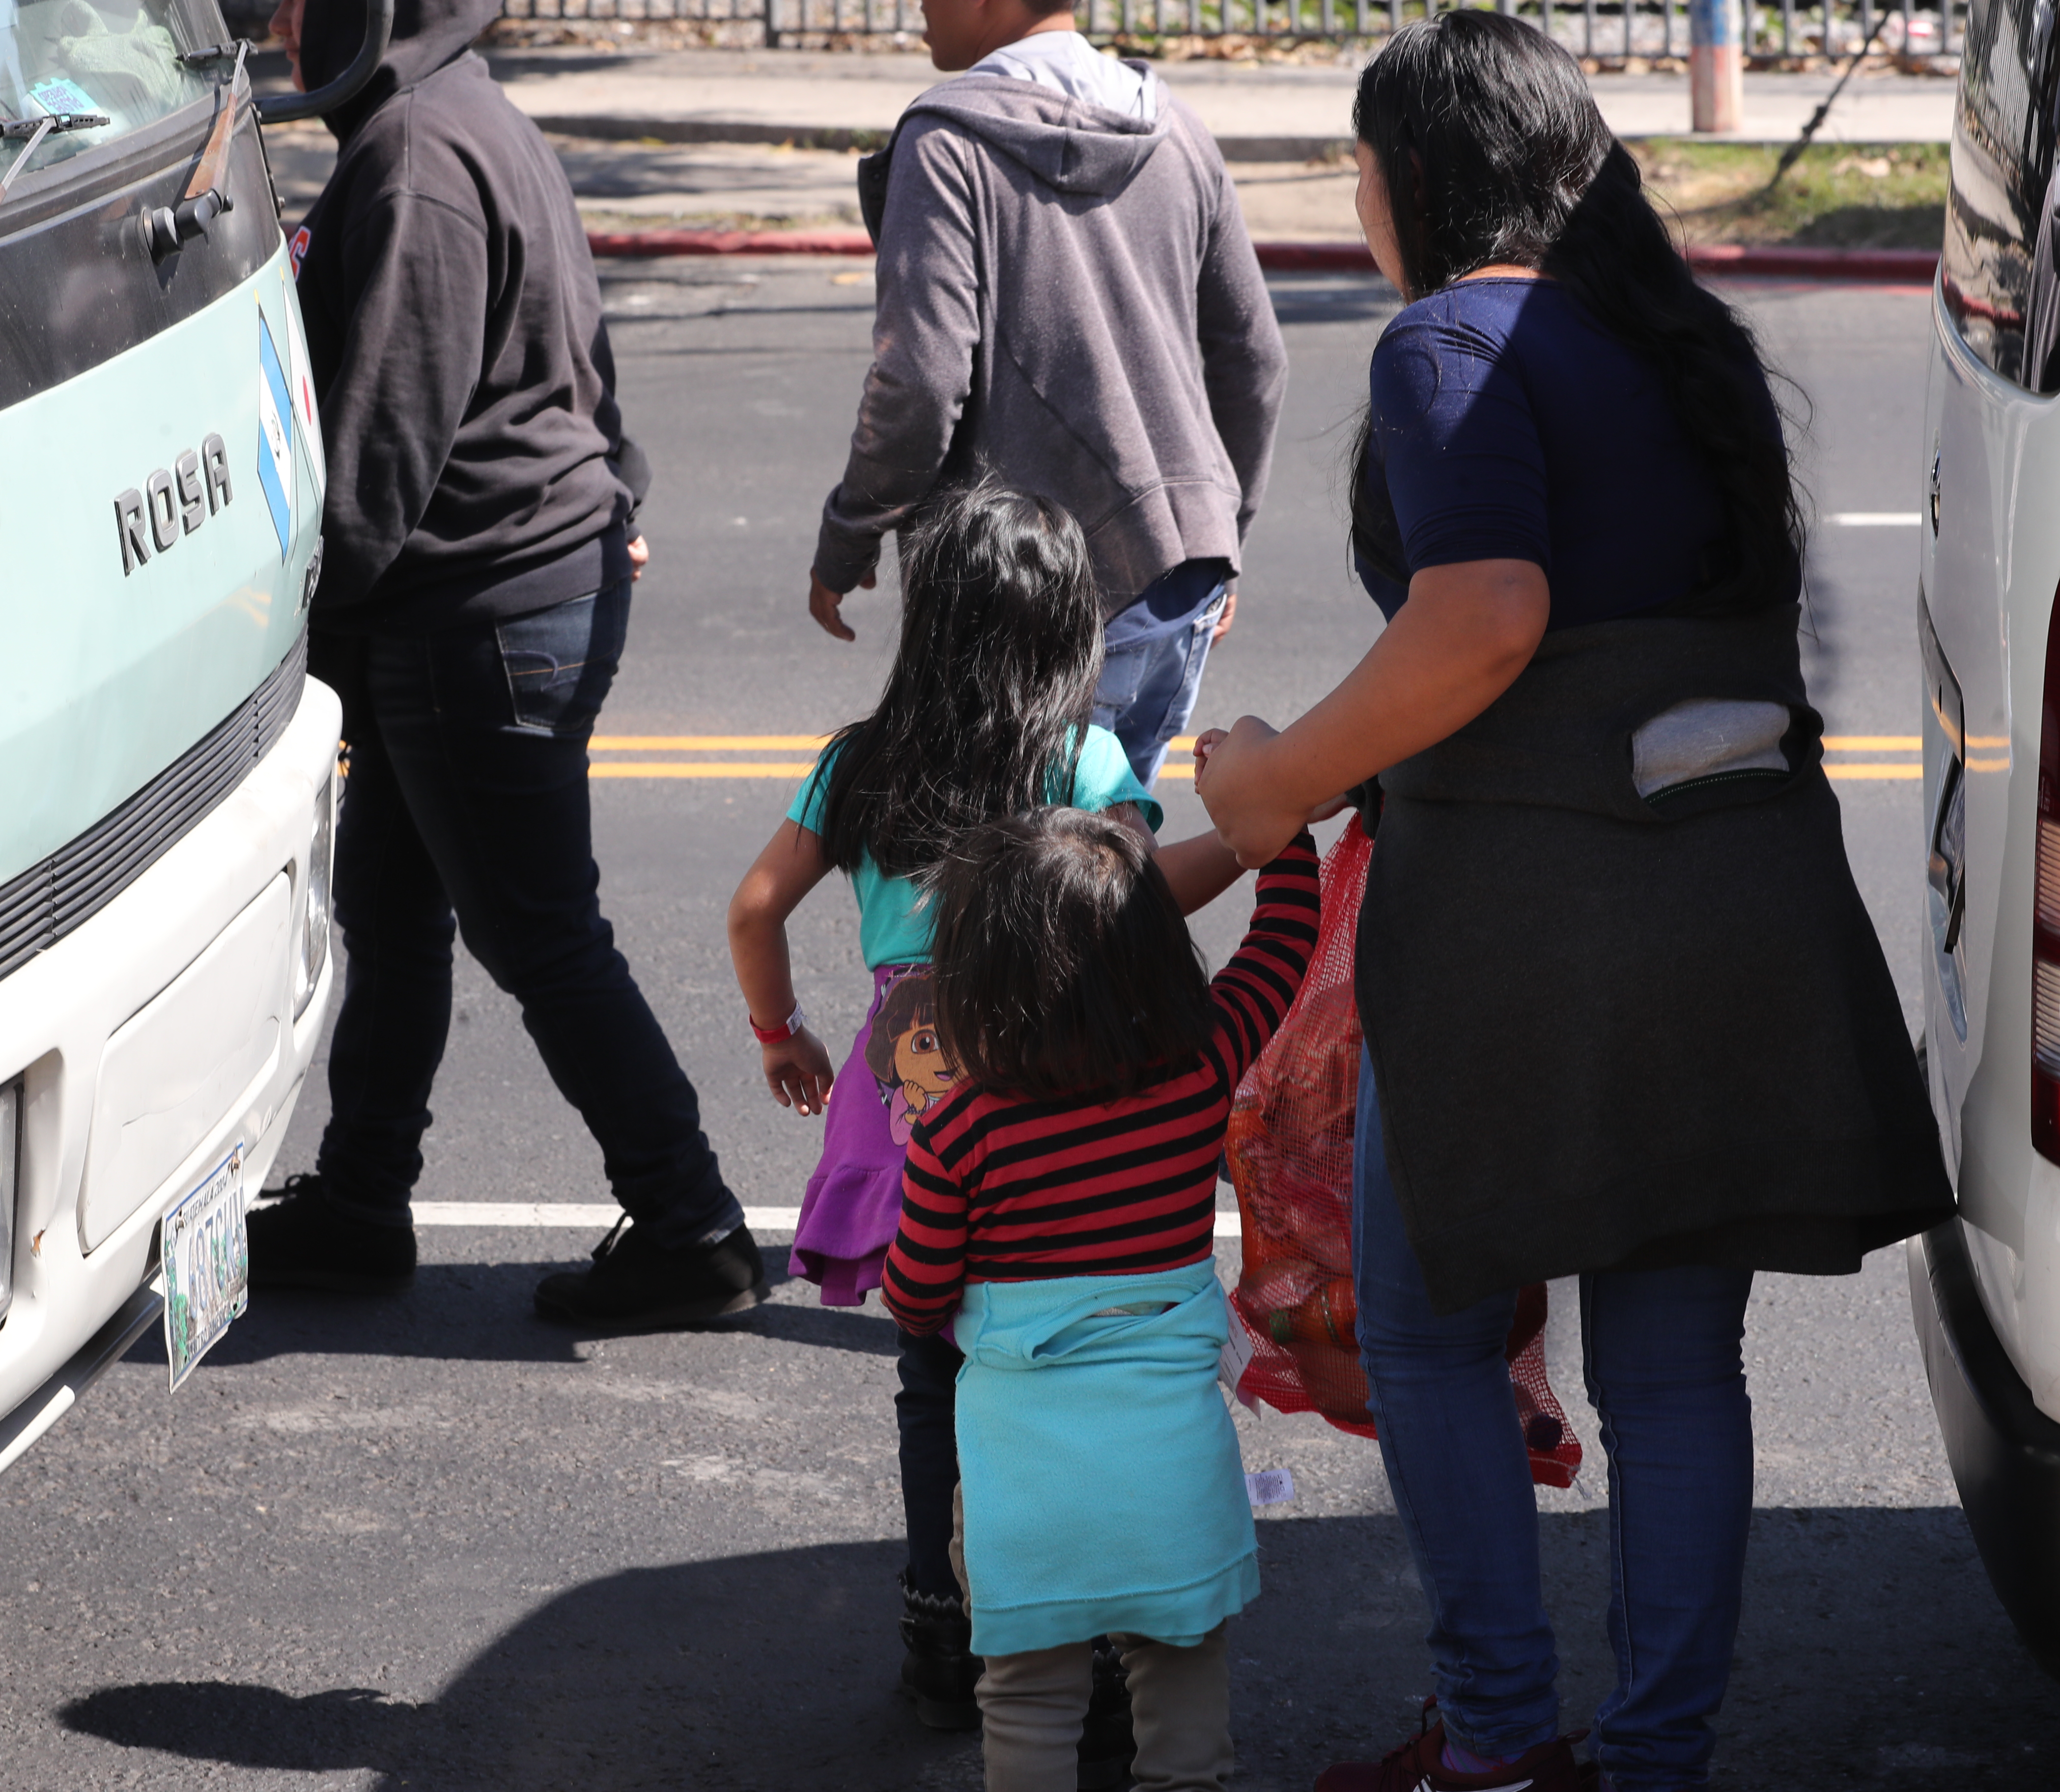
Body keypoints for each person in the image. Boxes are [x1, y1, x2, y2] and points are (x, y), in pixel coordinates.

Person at [1192, 15, 1954, 1791]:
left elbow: (1486, 617)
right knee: (1675, 1369)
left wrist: (1277, 779)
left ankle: (1498, 1741)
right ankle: (1656, 1758)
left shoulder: (1451, 338)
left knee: (1428, 1325)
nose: (1355, 200)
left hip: (1528, 920)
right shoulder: (1680, 342)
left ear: (1418, 174)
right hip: (1736, 898)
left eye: (1357, 166)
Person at [247, 0, 765, 1328]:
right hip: (481, 593)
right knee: (392, 905)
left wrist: (280, 640)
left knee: (537, 932)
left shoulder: (416, 154)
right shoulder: (461, 111)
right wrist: (614, 495)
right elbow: (580, 360)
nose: (285, 24)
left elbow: (382, 449)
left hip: (474, 607)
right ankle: (363, 1200)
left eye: (303, 1)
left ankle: (694, 1226)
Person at [726, 482, 1247, 1745]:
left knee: (932, 1380)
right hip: (1042, 1106)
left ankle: (937, 1629)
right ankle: (1097, 1634)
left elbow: (754, 909)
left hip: (907, 1109)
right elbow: (1139, 904)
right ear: (1067, 630)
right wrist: (1254, 836)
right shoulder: (1082, 763)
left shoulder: (859, 761)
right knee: (1052, 1387)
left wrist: (779, 1032)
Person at [882, 806, 1322, 1792]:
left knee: (1029, 1703)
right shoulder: (1202, 1065)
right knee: (1181, 1684)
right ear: (1157, 954)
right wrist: (1277, 814)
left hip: (1024, 1487)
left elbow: (914, 1299)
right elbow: (1286, 937)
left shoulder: (959, 1132)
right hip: (1172, 1474)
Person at [806, 0, 1290, 790]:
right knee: (1109, 851)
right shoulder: (1177, 129)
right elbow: (1256, 360)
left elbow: (920, 380)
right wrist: (1220, 535)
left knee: (1016, 863)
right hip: (1181, 579)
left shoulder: (948, 145)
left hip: (1033, 597)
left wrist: (848, 536)